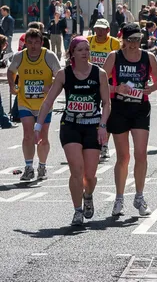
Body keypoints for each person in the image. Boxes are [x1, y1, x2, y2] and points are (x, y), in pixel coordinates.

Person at [34, 37, 110, 225]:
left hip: (92, 126)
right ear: (72, 53)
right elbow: (48, 102)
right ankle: (77, 211)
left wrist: (102, 126)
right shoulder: (63, 74)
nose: (85, 53)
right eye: (80, 50)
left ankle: (88, 195)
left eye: (87, 49)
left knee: (90, 176)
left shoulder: (99, 73)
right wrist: (38, 126)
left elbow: (107, 104)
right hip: (71, 125)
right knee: (76, 170)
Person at [103, 23, 157, 217]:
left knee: (141, 154)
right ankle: (119, 198)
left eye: (137, 40)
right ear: (124, 39)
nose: (134, 44)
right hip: (118, 108)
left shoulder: (148, 57)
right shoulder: (114, 57)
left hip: (139, 109)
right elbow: (100, 83)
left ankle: (139, 196)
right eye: (130, 40)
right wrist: (116, 89)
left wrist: (150, 88)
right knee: (123, 157)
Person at [7, 28, 61, 181]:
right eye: (29, 43)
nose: (33, 46)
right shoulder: (20, 56)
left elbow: (60, 76)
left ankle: (42, 166)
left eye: (36, 43)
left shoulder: (48, 56)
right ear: (25, 43)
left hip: (45, 104)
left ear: (41, 43)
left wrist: (50, 87)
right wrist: (12, 86)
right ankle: (29, 167)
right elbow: (11, 72)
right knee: (27, 135)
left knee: (43, 137)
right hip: (25, 102)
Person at [87, 18, 121, 159]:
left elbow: (120, 63)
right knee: (89, 113)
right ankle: (90, 143)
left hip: (109, 82)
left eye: (102, 29)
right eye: (97, 29)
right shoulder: (88, 41)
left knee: (107, 114)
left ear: (108, 30)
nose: (99, 32)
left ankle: (104, 145)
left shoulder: (114, 43)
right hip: (90, 81)